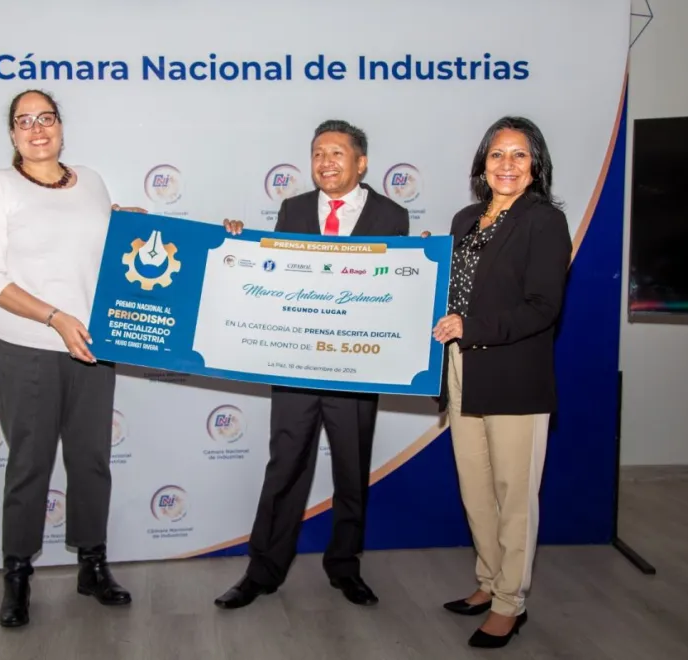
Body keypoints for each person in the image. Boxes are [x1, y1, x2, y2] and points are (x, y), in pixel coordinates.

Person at [0, 89, 146, 628]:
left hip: (92, 345)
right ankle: (17, 578)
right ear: (13, 134)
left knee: (91, 460)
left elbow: (92, 242)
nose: (37, 128)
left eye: (46, 118)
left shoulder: (90, 181)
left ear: (61, 126)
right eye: (25, 121)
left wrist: (124, 221)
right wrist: (55, 317)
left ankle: (92, 565)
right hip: (27, 346)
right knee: (30, 465)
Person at [215, 119, 409, 609]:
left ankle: (345, 567)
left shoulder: (392, 215)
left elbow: (396, 294)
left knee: (351, 470)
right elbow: (275, 275)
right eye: (318, 153)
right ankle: (262, 571)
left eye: (337, 153)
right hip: (296, 367)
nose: (326, 162)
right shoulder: (293, 208)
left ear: (361, 163)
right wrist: (239, 244)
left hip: (356, 369)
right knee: (285, 468)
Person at [428, 116, 571, 648]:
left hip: (513, 371)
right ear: (482, 164)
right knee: (476, 490)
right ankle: (488, 583)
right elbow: (448, 287)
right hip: (461, 367)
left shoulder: (544, 222)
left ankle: (511, 602)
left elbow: (543, 308)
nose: (506, 165)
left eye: (519, 155)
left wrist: (474, 327)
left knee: (514, 496)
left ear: (535, 168)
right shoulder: (465, 218)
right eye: (497, 155)